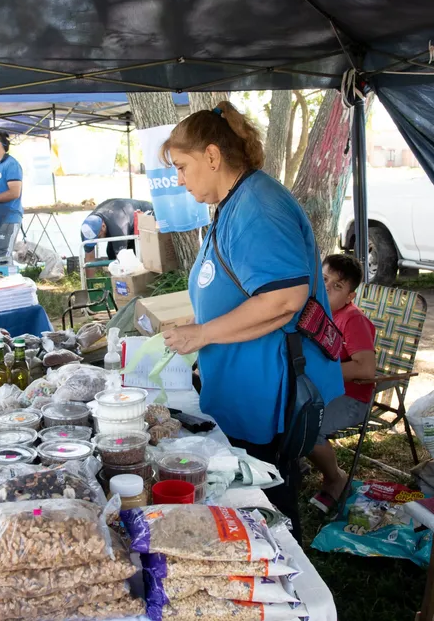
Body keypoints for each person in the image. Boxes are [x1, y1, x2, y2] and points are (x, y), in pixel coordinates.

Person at [160, 101, 343, 542]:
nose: (178, 179)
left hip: (269, 390)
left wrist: (202, 333)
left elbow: (283, 299)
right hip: (245, 387)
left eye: (182, 167)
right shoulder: (234, 201)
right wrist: (197, 320)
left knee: (270, 504)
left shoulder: (258, 206)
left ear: (212, 156)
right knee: (255, 499)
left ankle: (292, 595)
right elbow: (237, 286)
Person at [306, 254, 377, 512]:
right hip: (321, 392)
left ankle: (336, 479)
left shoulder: (352, 319)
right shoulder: (313, 311)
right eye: (324, 280)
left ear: (350, 297)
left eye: (337, 286)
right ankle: (294, 461)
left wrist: (318, 373)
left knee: (307, 427)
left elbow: (366, 368)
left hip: (350, 398)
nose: (327, 288)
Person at [80, 198, 154, 277]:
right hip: (119, 216)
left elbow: (123, 260)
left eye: (98, 237)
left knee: (133, 257)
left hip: (146, 215)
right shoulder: (86, 229)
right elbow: (89, 258)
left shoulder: (118, 227)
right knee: (110, 252)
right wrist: (89, 285)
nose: (98, 240)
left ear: (103, 226)